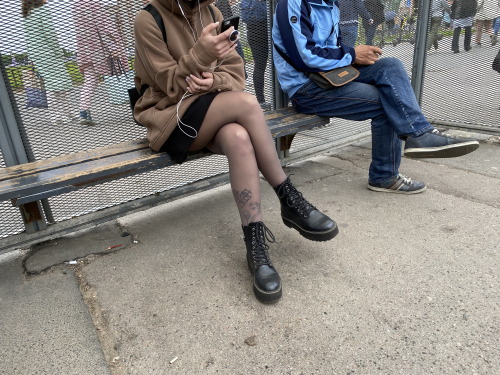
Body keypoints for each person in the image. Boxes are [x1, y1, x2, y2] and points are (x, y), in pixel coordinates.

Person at [132, 0, 338, 304]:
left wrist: (213, 79)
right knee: (247, 103)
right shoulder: (147, 18)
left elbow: (236, 72)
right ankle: (288, 197)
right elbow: (168, 85)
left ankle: (255, 243)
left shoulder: (212, 12)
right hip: (171, 117)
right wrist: (202, 55)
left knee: (239, 138)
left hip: (212, 108)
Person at [272, 0, 480, 194]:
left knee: (391, 66)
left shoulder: (331, 4)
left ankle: (420, 134)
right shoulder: (294, 3)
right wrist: (353, 54)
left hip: (329, 76)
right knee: (387, 101)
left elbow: (332, 49)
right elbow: (305, 57)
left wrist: (356, 57)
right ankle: (384, 176)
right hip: (306, 88)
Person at [73, 0, 129, 125]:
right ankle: (136, 103)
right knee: (125, 75)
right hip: (100, 49)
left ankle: (83, 111)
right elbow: (104, 27)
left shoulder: (76, 5)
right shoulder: (94, 4)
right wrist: (113, 48)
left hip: (86, 50)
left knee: (90, 80)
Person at [22, 0, 75, 125]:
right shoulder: (42, 10)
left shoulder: (28, 12)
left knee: (53, 82)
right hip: (48, 52)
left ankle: (64, 113)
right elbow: (50, 34)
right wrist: (58, 51)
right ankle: (58, 115)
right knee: (58, 84)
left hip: (36, 53)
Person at [240, 0, 271, 110]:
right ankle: (260, 100)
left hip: (270, 31)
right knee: (260, 65)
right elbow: (246, 17)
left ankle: (285, 95)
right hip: (256, 33)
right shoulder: (247, 2)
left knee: (279, 63)